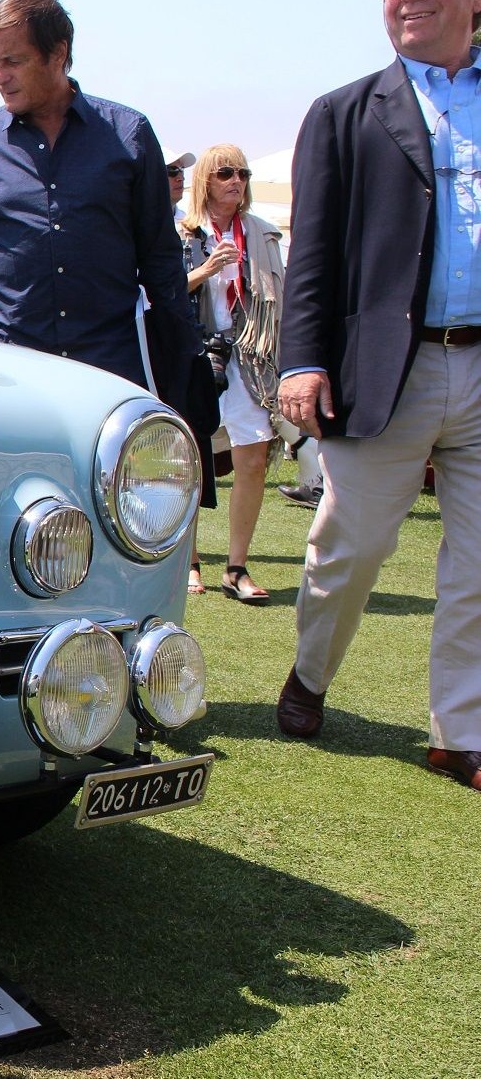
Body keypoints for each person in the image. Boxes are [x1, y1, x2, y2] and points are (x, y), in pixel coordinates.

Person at [274, 0, 481, 792]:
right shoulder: (342, 112)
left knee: (475, 567)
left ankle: (458, 733)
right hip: (385, 370)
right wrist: (300, 361)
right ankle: (309, 674)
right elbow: (312, 254)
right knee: (349, 549)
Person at [0, 0, 199, 402]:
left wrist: (178, 360)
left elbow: (161, 259)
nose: (0, 77)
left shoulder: (129, 135)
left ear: (58, 53)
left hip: (114, 374)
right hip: (8, 379)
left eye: (13, 61)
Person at [180, 145, 285, 606]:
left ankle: (237, 566)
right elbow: (157, 294)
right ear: (206, 179)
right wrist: (204, 270)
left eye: (242, 172)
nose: (235, 180)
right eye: (225, 172)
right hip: (193, 353)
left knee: (253, 457)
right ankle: (188, 560)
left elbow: (284, 301)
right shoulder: (180, 232)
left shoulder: (261, 234)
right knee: (186, 457)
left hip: (250, 355)